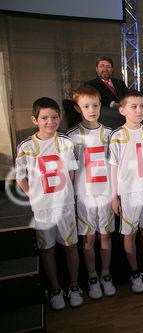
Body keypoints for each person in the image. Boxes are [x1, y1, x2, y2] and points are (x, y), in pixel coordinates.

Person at [15, 97, 83, 310]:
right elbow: (20, 177)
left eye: (54, 117)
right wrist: (33, 197)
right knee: (48, 250)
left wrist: (66, 196)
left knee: (71, 246)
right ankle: (55, 289)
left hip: (64, 205)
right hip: (43, 208)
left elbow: (72, 173)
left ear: (59, 118)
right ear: (35, 119)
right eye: (44, 118)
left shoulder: (65, 142)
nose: (50, 122)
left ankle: (73, 286)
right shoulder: (26, 146)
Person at [109, 90, 143, 294]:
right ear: (122, 110)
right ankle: (135, 273)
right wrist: (114, 195)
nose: (139, 110)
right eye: (133, 106)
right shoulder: (117, 136)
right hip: (129, 193)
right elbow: (113, 167)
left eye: (141, 106)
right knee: (129, 233)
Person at [66, 85, 116, 300]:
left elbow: (115, 166)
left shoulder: (110, 134)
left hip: (105, 193)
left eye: (95, 105)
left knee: (105, 235)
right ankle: (92, 276)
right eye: (86, 106)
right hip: (84, 196)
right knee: (88, 238)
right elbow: (70, 171)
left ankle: (106, 274)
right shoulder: (71, 136)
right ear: (78, 108)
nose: (92, 109)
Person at [86, 56, 129, 129]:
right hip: (107, 114)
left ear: (112, 69)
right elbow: (95, 100)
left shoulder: (119, 83)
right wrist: (113, 104)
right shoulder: (91, 84)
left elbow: (128, 95)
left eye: (108, 67)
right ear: (97, 69)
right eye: (102, 66)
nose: (105, 69)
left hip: (125, 111)